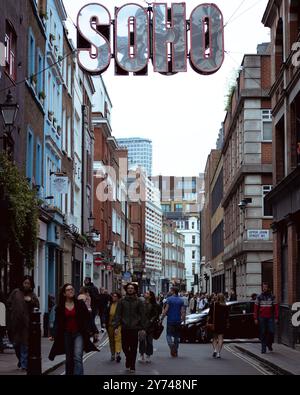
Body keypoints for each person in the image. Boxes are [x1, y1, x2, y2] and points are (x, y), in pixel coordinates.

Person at [48, 283, 98, 375]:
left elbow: (88, 318)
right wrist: (52, 333)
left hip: (78, 333)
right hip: (66, 334)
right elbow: (57, 322)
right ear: (64, 293)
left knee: (77, 356)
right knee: (69, 358)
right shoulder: (60, 307)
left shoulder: (80, 304)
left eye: (72, 289)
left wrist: (94, 330)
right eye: (68, 290)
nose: (71, 291)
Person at [7, 276, 39, 370]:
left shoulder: (32, 295)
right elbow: (8, 303)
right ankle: (21, 361)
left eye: (28, 283)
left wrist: (31, 301)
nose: (26, 285)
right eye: (25, 283)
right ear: (22, 283)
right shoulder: (16, 292)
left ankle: (24, 365)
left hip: (26, 324)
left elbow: (37, 305)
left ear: (31, 285)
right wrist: (11, 312)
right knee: (16, 345)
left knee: (25, 345)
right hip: (15, 324)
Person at [113, 283, 145, 373]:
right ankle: (128, 358)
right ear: (126, 290)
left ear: (134, 290)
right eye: (129, 288)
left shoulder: (139, 301)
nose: (130, 289)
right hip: (125, 327)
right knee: (125, 347)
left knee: (134, 348)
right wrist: (116, 326)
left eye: (132, 288)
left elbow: (142, 315)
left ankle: (132, 366)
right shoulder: (122, 301)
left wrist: (143, 328)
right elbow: (118, 314)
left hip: (135, 328)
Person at [161, 287, 186, 358]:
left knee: (168, 335)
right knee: (176, 336)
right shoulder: (181, 300)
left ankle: (171, 345)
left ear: (173, 291)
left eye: (170, 290)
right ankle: (175, 350)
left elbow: (166, 310)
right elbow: (183, 311)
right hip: (178, 320)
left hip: (170, 320)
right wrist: (183, 321)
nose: (170, 291)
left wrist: (162, 318)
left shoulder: (169, 299)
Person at [254, 283, 279, 354]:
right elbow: (255, 309)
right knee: (263, 332)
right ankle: (263, 348)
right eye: (263, 287)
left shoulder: (272, 297)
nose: (264, 288)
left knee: (271, 332)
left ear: (268, 288)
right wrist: (255, 318)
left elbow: (276, 307)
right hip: (262, 317)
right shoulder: (259, 297)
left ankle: (269, 344)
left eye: (265, 287)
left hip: (270, 317)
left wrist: (276, 317)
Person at [138, 291, 162, 363]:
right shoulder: (141, 304)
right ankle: (141, 355)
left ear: (151, 296)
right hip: (142, 325)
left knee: (149, 341)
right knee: (142, 340)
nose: (145, 294)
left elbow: (156, 314)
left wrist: (151, 321)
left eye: (147, 293)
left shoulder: (155, 305)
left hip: (151, 326)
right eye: (145, 293)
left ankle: (148, 356)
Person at [207, 293, 229, 359]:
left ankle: (215, 350)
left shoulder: (213, 304)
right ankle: (219, 353)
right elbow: (227, 316)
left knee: (214, 338)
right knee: (220, 338)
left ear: (217, 298)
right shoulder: (225, 306)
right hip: (222, 323)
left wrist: (207, 321)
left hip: (214, 323)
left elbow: (209, 314)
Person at [106, 292, 122, 363]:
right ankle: (112, 354)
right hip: (110, 325)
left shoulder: (120, 305)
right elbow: (106, 314)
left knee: (117, 339)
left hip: (118, 325)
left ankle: (118, 353)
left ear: (118, 297)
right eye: (113, 296)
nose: (114, 298)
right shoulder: (110, 305)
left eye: (115, 296)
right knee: (111, 340)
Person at [84, 278, 100, 342]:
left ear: (88, 281)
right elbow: (98, 298)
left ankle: (94, 334)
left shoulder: (87, 288)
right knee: (91, 321)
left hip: (88, 308)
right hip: (94, 308)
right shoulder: (95, 288)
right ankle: (94, 336)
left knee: (89, 322)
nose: (84, 281)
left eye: (85, 280)